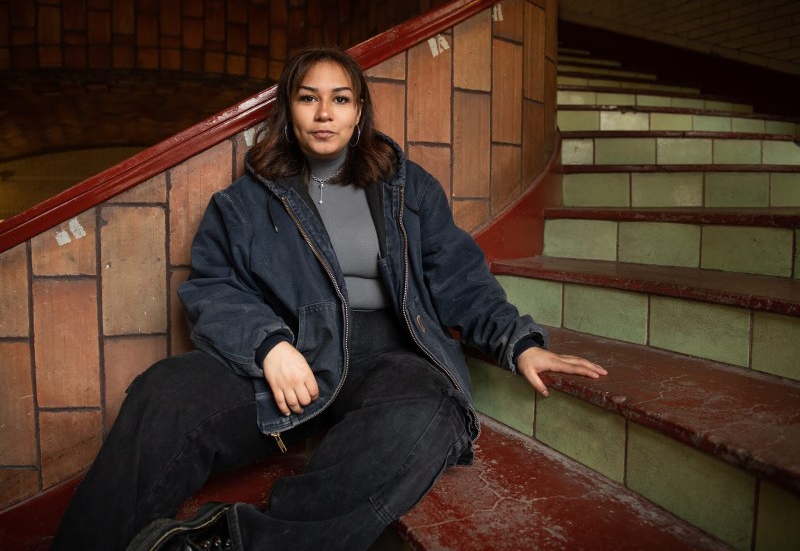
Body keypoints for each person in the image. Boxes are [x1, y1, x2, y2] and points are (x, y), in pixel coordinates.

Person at [51, 47, 606, 551]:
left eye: (340, 99)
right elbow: (213, 287)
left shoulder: (407, 187)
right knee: (164, 391)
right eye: (308, 98)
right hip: (293, 357)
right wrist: (268, 345)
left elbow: (460, 275)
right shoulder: (244, 203)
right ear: (288, 111)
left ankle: (239, 541)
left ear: (359, 110)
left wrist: (518, 343)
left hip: (392, 355)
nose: (324, 114)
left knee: (429, 413)